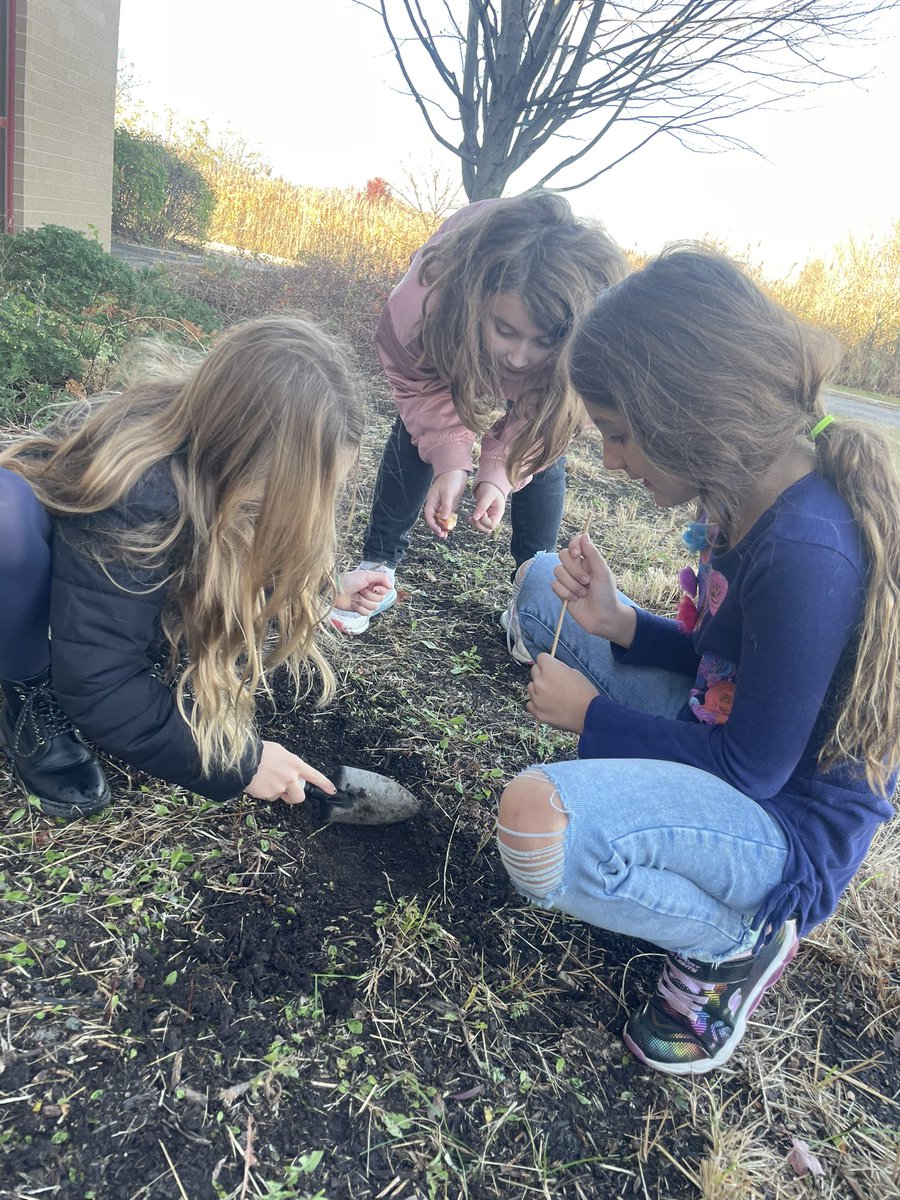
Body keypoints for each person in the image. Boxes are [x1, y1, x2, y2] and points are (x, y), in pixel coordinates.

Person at [496, 247, 899, 1076]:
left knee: (533, 824)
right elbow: (729, 659)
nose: (611, 460)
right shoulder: (741, 491)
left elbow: (750, 765)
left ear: (685, 412)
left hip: (780, 829)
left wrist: (591, 717)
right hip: (728, 737)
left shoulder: (807, 549)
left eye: (619, 435)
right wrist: (622, 623)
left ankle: (732, 945)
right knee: (543, 585)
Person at [0, 317, 393, 819]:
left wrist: (326, 587)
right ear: (244, 456)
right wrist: (244, 765)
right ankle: (27, 693)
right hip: (41, 577)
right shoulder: (139, 494)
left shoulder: (216, 463)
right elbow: (102, 679)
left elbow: (258, 532)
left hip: (103, 590)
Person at [330, 191, 627, 634]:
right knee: (415, 429)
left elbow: (549, 419)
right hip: (451, 330)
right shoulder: (424, 303)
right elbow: (420, 386)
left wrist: (500, 475)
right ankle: (379, 564)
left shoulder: (595, 340)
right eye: (506, 331)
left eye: (543, 341)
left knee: (545, 430)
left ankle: (535, 588)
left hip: (553, 385)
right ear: (477, 303)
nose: (520, 359)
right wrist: (449, 460)